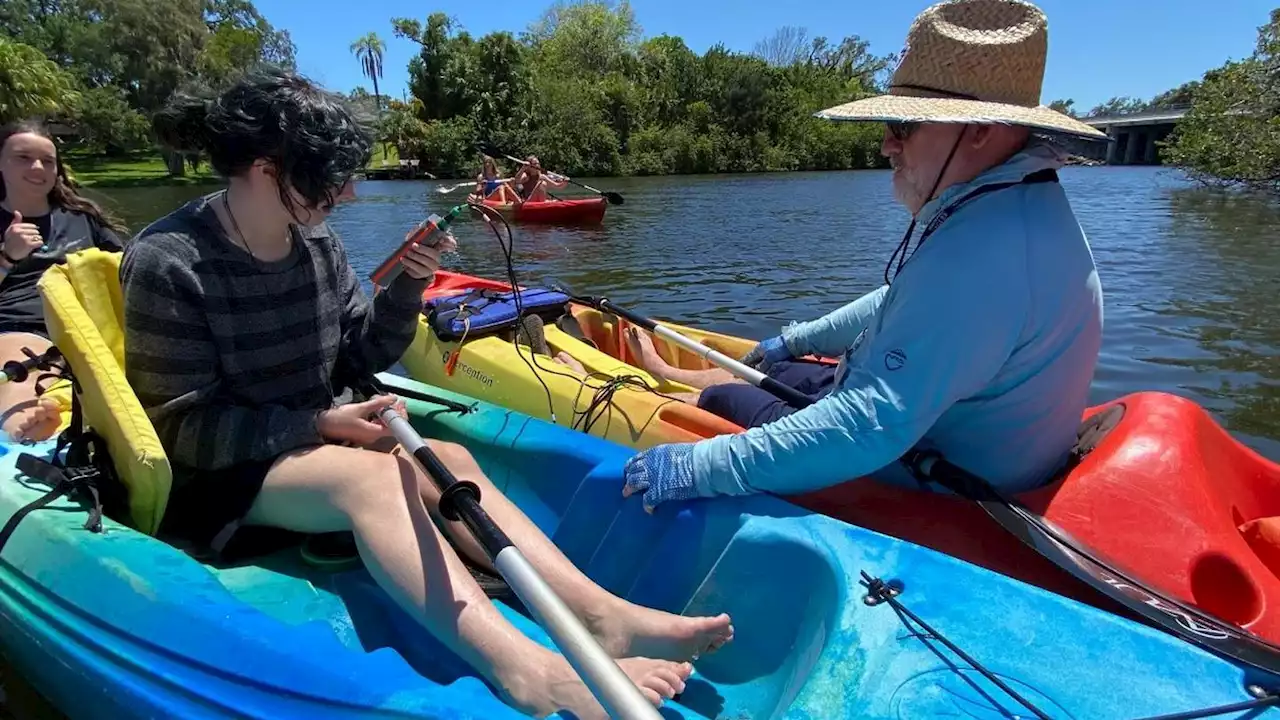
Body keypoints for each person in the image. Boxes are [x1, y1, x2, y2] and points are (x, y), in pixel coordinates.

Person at [122, 68, 732, 720]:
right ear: (270, 170)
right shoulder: (168, 261)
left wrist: (410, 287)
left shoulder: (319, 245)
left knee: (453, 465)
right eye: (333, 176)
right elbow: (181, 428)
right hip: (225, 478)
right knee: (374, 482)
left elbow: (363, 353)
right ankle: (531, 673)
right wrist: (321, 427)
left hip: (315, 441)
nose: (350, 193)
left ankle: (598, 614)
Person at [620, 0, 1108, 514]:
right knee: (788, 373)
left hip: (935, 478)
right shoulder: (1017, 206)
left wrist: (696, 466)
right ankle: (680, 375)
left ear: (980, 130)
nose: (885, 146)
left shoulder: (983, 257)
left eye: (904, 126)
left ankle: (674, 385)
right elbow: (903, 299)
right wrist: (793, 341)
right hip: (945, 430)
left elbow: (864, 426)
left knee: (727, 400)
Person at [0, 120, 126, 442]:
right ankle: (25, 430)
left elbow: (129, 268)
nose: (38, 166)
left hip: (91, 328)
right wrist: (8, 257)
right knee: (26, 393)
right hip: (24, 329)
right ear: (1, 163)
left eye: (48, 160)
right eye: (23, 157)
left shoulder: (82, 217)